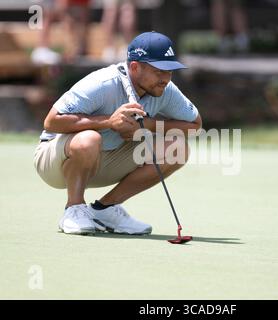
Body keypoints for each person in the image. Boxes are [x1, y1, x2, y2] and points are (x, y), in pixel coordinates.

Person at [34, 31, 202, 236]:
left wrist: (147, 125)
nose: (166, 79)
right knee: (89, 139)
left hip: (106, 160)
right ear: (135, 67)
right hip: (55, 161)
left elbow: (195, 124)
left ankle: (104, 209)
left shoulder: (166, 90)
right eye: (159, 71)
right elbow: (51, 122)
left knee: (178, 148)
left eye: (170, 71)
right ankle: (74, 209)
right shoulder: (102, 83)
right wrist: (109, 122)